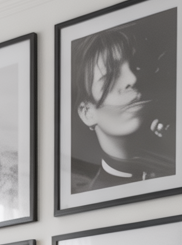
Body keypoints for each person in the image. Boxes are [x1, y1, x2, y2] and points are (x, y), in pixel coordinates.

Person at [71, 26, 174, 193]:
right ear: (87, 112)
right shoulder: (93, 196)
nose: (133, 79)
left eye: (137, 66)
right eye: (111, 76)